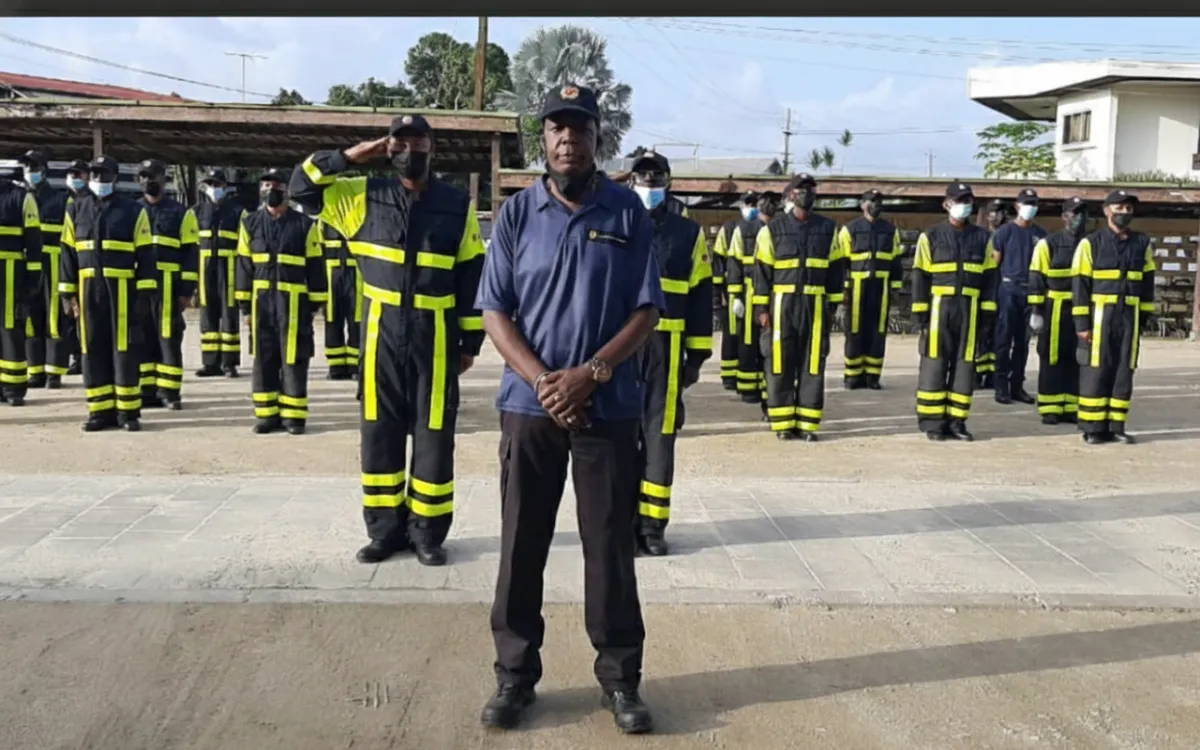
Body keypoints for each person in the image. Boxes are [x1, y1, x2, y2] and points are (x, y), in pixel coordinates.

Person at [474, 83, 663, 734]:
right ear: (543, 139)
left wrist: (591, 374)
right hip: (530, 409)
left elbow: (647, 310)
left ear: (595, 138)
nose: (567, 140)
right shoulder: (516, 214)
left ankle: (621, 680)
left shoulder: (627, 212)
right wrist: (546, 384)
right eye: (556, 128)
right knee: (521, 544)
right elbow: (495, 310)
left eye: (579, 129)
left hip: (607, 408)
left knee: (609, 548)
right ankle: (514, 677)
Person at [290, 113, 487, 567]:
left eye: (418, 141)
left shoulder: (457, 204)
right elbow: (301, 187)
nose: (408, 150)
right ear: (387, 147)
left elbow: (472, 275)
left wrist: (470, 343)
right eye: (399, 142)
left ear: (432, 148)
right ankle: (384, 532)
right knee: (379, 433)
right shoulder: (360, 195)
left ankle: (428, 533)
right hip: (380, 332)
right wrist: (350, 156)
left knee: (434, 436)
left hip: (436, 334)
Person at [626, 150, 712, 556]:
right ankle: (621, 523)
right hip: (620, 349)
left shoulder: (688, 233)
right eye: (643, 177)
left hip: (668, 348)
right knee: (618, 437)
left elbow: (701, 296)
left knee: (660, 438)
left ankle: (652, 526)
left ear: (669, 182)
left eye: (657, 177)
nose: (650, 184)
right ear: (631, 181)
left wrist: (696, 356)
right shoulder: (614, 223)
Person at [59, 155, 156, 432]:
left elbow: (146, 256)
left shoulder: (133, 211)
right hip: (87, 290)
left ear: (115, 177)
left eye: (105, 175)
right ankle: (99, 412)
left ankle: (128, 412)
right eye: (95, 174)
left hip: (122, 291)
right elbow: (67, 254)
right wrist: (67, 294)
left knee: (124, 350)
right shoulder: (75, 209)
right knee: (92, 349)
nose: (99, 179)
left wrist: (144, 295)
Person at [752, 173, 846, 440]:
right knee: (780, 363)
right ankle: (782, 424)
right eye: (802, 190)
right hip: (781, 305)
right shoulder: (772, 229)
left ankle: (807, 424)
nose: (807, 194)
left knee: (812, 363)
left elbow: (836, 270)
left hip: (815, 305)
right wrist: (761, 309)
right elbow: (761, 273)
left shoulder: (829, 228)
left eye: (811, 190)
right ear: (791, 195)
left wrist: (833, 306)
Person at [235, 170, 327, 435]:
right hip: (261, 304)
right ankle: (267, 415)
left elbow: (316, 267)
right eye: (266, 184)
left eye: (276, 185)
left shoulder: (305, 225)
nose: (270, 189)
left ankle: (294, 417)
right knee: (264, 358)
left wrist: (314, 304)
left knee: (294, 357)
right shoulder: (249, 223)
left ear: (287, 190)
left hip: (294, 303)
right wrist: (244, 306)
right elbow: (243, 266)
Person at [911, 182, 998, 442]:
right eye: (959, 200)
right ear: (946, 204)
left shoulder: (983, 238)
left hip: (970, 310)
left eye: (968, 201)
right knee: (934, 365)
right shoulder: (931, 236)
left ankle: (957, 421)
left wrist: (988, 314)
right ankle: (933, 423)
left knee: (964, 367)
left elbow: (990, 278)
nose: (964, 205)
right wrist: (920, 313)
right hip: (939, 309)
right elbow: (920, 276)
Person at [1070, 189, 1155, 445]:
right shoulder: (1090, 243)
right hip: (1100, 316)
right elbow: (1080, 286)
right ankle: (1093, 428)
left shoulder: (1142, 244)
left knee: (1123, 371)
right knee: (1097, 370)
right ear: (1107, 211)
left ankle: (1116, 426)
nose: (1124, 213)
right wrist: (1082, 324)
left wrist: (1143, 318)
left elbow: (1148, 283)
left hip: (1129, 315)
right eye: (1119, 208)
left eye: (1128, 209)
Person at [136, 158, 199, 410]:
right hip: (141, 287)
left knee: (169, 339)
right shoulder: (132, 211)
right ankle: (147, 391)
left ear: (164, 179)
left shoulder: (181, 213)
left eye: (153, 176)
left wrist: (186, 292)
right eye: (143, 176)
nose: (148, 180)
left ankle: (170, 393)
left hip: (169, 286)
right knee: (142, 339)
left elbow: (191, 255)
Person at [835, 188, 904, 390]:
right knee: (855, 330)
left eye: (878, 201)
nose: (875, 205)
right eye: (872, 201)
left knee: (877, 331)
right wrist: (844, 289)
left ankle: (873, 376)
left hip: (881, 287)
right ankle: (853, 376)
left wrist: (895, 287)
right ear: (862, 204)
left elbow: (896, 262)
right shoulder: (850, 229)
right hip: (856, 287)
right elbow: (842, 263)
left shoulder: (890, 230)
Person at [1028, 196, 1088, 426]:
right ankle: (1050, 408)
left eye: (1082, 213)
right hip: (1054, 307)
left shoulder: (1090, 243)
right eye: (1074, 213)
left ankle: (1072, 407)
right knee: (1051, 356)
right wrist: (1036, 311)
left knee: (1077, 357)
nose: (1079, 218)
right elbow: (1036, 277)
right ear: (1064, 216)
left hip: (1081, 309)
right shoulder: (1048, 243)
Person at [990, 188, 1047, 405]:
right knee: (1003, 340)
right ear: (1017, 206)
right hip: (1008, 290)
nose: (1030, 207)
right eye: (1026, 203)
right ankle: (1000, 386)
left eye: (1034, 204)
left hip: (1030, 292)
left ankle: (1017, 386)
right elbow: (994, 264)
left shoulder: (1041, 235)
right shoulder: (1004, 232)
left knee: (1023, 342)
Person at [18, 150, 70, 389]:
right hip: (27, 263)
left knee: (54, 317)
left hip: (53, 262)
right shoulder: (20, 198)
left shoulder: (61, 200)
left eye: (34, 167)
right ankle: (35, 371)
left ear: (44, 170)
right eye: (26, 167)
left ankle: (54, 372)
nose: (30, 171)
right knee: (30, 315)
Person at [728, 190, 779, 417]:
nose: (768, 205)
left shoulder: (780, 229)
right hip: (749, 291)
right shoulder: (743, 229)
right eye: (764, 201)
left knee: (769, 345)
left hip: (773, 293)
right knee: (748, 342)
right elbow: (734, 263)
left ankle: (769, 393)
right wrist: (735, 295)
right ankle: (749, 390)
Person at [193, 169, 246, 378]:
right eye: (210, 185)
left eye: (217, 185)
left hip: (229, 268)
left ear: (225, 187)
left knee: (229, 315)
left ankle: (229, 363)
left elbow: (245, 246)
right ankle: (210, 363)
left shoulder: (238, 212)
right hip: (205, 268)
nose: (213, 188)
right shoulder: (196, 212)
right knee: (207, 315)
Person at [0, 162, 43, 406]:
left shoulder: (22, 197)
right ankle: (8, 388)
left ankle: (14, 387)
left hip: (11, 271)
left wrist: (32, 277)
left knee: (10, 327)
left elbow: (33, 241)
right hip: (10, 271)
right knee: (9, 328)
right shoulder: (22, 197)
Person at [710, 191, 757, 391]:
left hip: (754, 290)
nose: (751, 207)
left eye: (754, 203)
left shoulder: (764, 228)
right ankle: (729, 377)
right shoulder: (729, 229)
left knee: (750, 336)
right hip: (731, 292)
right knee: (731, 334)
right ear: (740, 206)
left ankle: (746, 377)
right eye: (748, 204)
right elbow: (718, 262)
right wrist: (717, 295)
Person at [317, 219, 361, 381]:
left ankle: (356, 366)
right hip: (331, 274)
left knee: (356, 320)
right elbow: (318, 250)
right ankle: (336, 367)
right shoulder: (324, 219)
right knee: (332, 319)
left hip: (356, 273)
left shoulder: (359, 215)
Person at [975, 198, 1008, 389]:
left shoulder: (1008, 235)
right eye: (992, 212)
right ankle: (978, 374)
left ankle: (994, 375)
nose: (995, 216)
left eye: (999, 212)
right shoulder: (980, 236)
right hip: (982, 295)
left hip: (1003, 294)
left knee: (1000, 339)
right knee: (980, 338)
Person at [61, 159, 90, 377]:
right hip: (70, 268)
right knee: (71, 318)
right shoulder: (65, 200)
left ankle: (84, 358)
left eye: (78, 173)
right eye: (71, 174)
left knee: (86, 320)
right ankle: (77, 358)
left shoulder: (89, 202)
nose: (74, 178)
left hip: (88, 270)